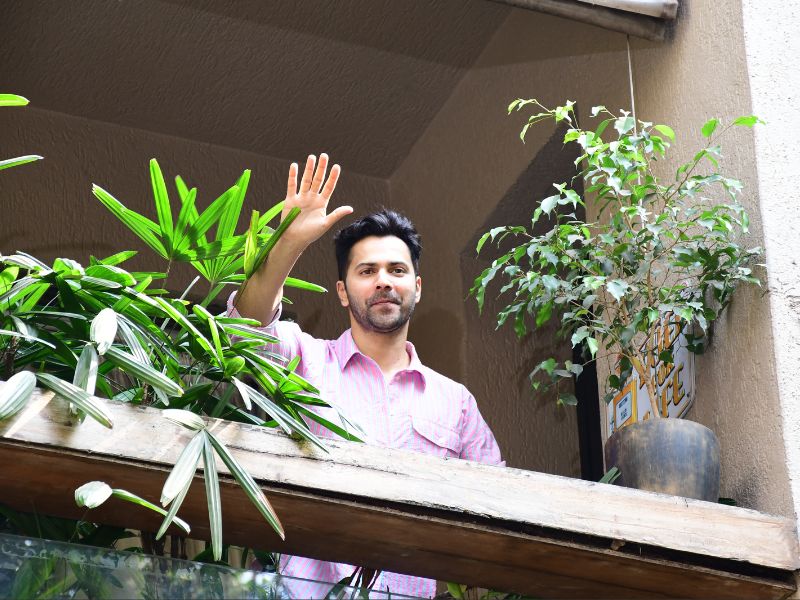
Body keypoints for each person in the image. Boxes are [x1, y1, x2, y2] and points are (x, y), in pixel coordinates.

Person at [230, 153, 503, 599]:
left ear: (417, 287)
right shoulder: (305, 360)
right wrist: (290, 242)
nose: (383, 281)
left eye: (397, 270)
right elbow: (243, 329)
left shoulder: (455, 402)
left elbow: (498, 507)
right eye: (367, 271)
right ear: (342, 292)